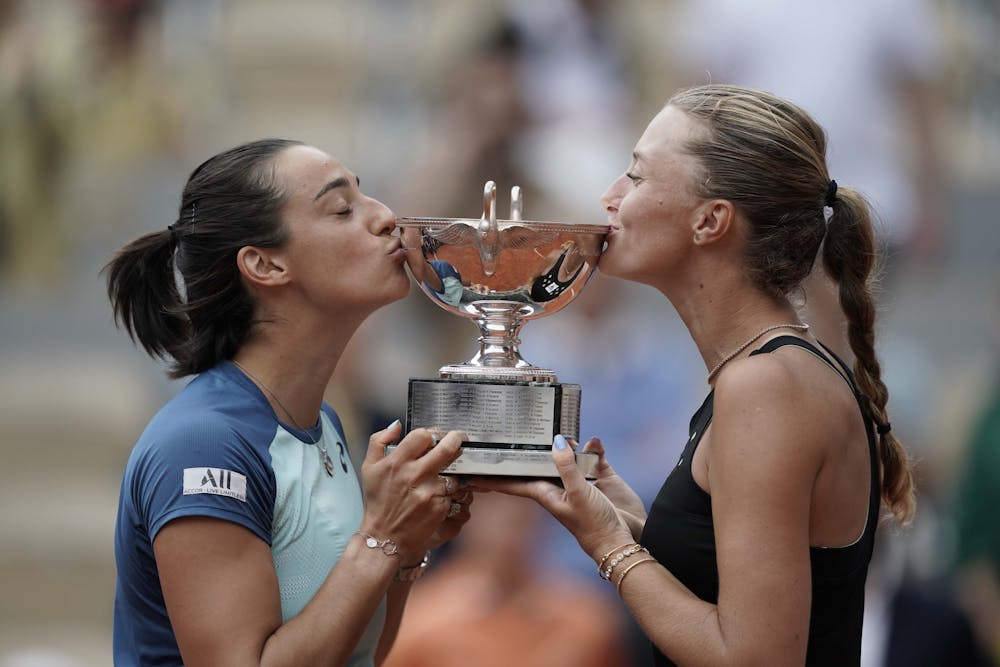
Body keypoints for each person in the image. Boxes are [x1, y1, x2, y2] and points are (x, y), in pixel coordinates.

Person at [477, 84, 916, 666]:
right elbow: (722, 587)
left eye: (636, 176)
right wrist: (627, 522)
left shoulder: (768, 386)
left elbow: (751, 658)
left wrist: (606, 545)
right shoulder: (761, 374)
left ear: (710, 220)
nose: (609, 197)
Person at [104, 138, 473, 666]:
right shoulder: (205, 443)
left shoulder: (320, 422)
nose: (386, 217)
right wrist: (380, 537)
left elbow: (359, 651)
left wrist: (405, 548)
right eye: (342, 209)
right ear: (266, 265)